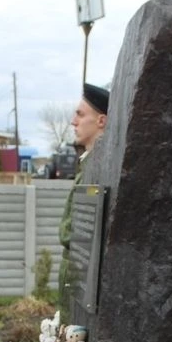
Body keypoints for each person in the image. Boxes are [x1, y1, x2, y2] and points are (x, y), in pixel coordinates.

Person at [58, 83, 109, 319]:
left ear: (101, 121)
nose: (73, 121)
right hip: (75, 275)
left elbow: (68, 232)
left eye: (80, 114)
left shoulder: (99, 169)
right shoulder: (87, 165)